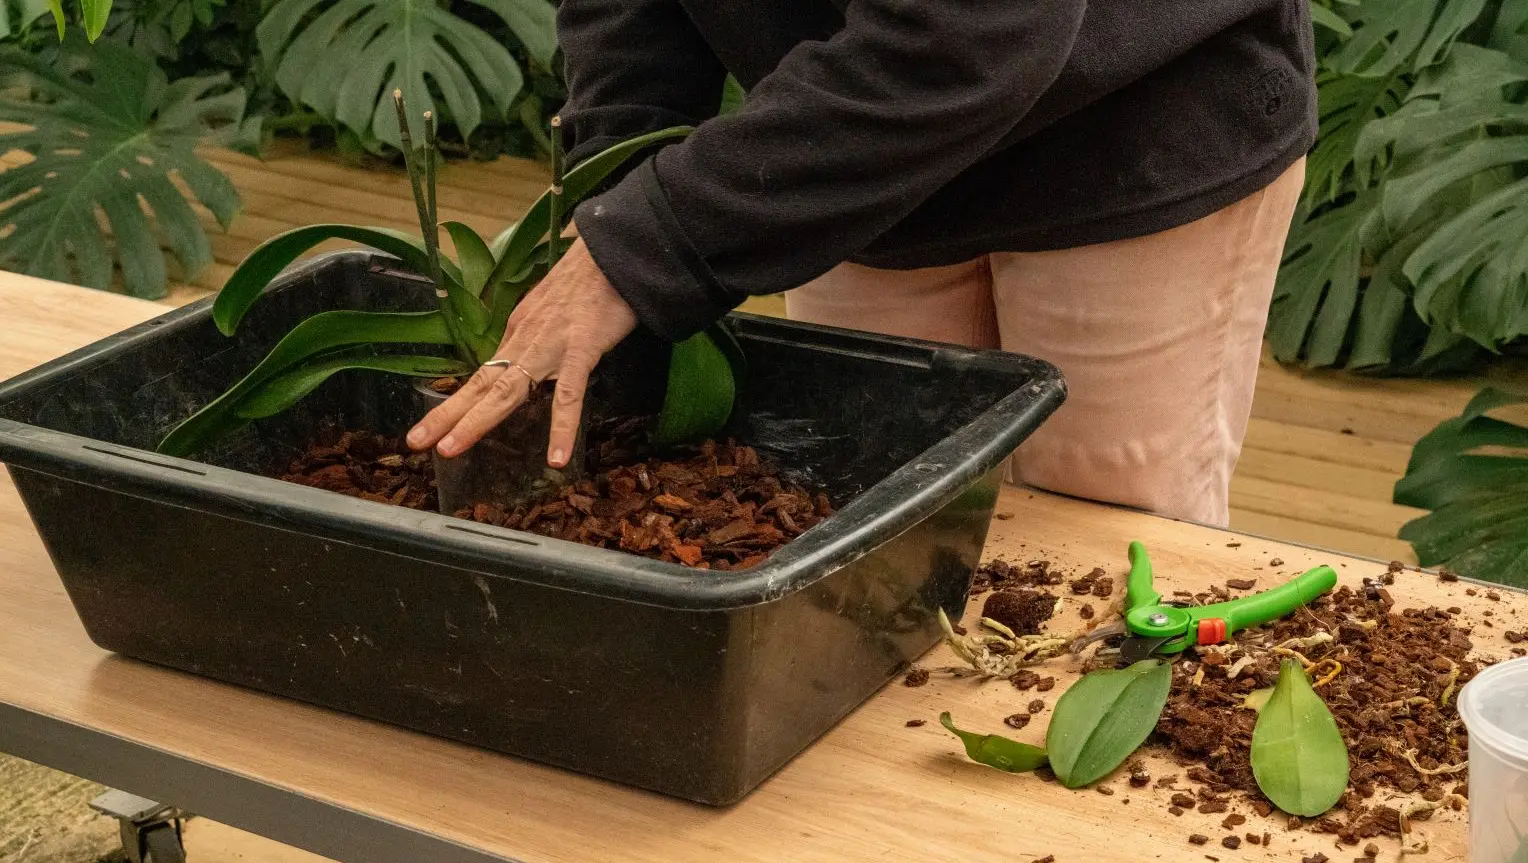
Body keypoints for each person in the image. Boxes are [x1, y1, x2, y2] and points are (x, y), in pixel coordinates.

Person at [407, 0, 1315, 527]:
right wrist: (617, 187)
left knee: (1101, 551)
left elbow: (975, 34)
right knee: (876, 530)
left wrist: (651, 242)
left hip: (1132, 127)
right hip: (860, 144)